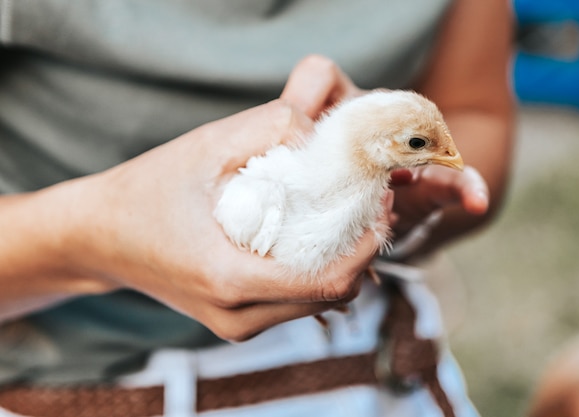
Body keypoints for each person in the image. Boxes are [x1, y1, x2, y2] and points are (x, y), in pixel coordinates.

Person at [0, 0, 514, 416]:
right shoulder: (259, 200)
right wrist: (99, 236)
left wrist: (421, 202)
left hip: (364, 371)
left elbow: (473, 114)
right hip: (63, 387)